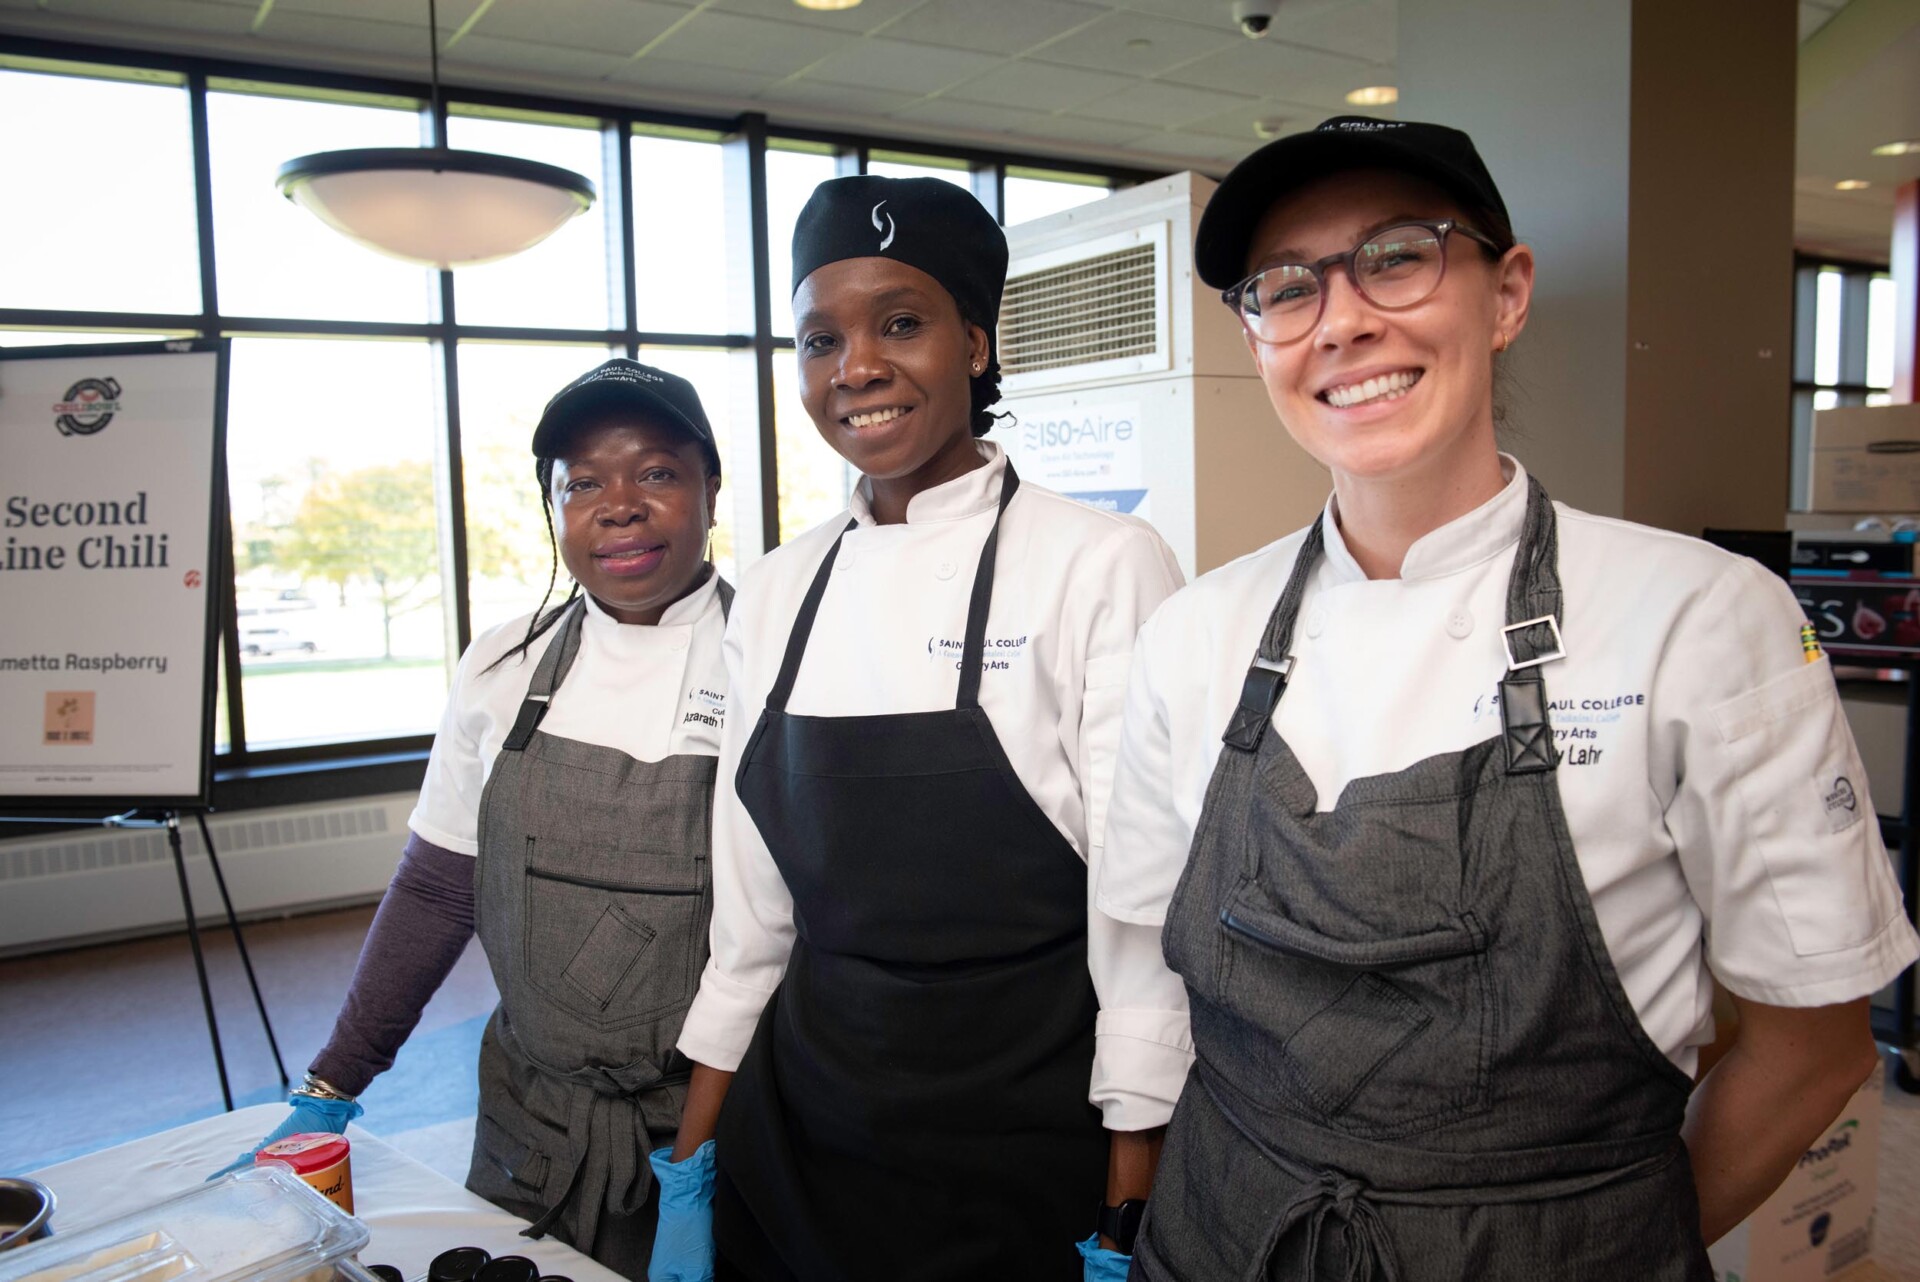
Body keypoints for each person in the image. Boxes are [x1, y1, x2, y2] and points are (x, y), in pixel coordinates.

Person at [1090, 117, 1920, 1280]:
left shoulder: (1703, 618)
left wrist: (1608, 1240)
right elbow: (1146, 966)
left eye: (1396, 256)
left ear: (1508, 292)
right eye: (1285, 288)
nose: (1342, 320)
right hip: (1221, 1237)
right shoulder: (1193, 634)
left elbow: (1813, 1044)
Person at [645, 175, 1185, 1282]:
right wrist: (692, 1172)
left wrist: (1127, 1212)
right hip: (800, 1141)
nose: (857, 368)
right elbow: (751, 927)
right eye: (818, 339)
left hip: (1028, 1151)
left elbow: (1141, 933)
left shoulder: (1102, 563)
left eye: (901, 322)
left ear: (977, 342)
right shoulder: (783, 587)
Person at [220, 359, 733, 1279]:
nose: (619, 505)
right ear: (553, 509)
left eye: (656, 472)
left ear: (711, 487)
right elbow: (435, 886)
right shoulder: (502, 667)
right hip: (530, 1122)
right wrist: (332, 1085)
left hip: (711, 1132)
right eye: (582, 482)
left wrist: (701, 1168)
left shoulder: (771, 658)